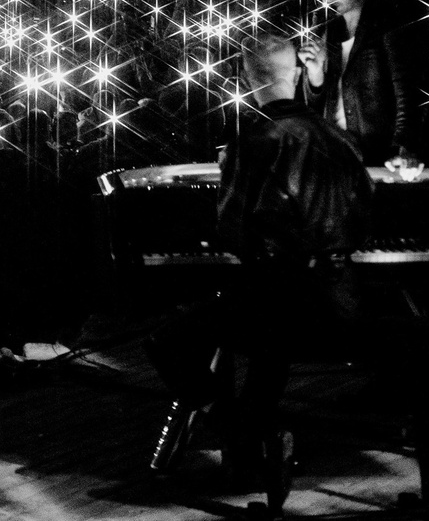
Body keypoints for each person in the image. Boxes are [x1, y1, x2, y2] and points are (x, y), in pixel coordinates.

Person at [150, 36, 374, 494]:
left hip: (281, 303)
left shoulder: (254, 142)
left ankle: (237, 431)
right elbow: (365, 220)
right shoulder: (343, 140)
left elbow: (232, 233)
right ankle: (252, 445)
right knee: (265, 340)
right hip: (342, 305)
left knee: (167, 340)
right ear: (296, 73)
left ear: (245, 80)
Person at [298, 0, 427, 166]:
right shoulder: (329, 32)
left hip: (379, 159)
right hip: (337, 158)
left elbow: (407, 93)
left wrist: (405, 148)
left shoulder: (387, 26)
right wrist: (315, 75)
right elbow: (315, 109)